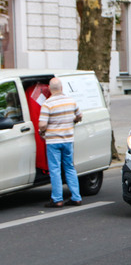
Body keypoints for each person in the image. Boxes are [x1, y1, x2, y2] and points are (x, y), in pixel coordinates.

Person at [38, 78, 83, 208]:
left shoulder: (47, 104)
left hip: (53, 141)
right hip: (68, 140)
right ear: (61, 88)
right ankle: (76, 197)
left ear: (50, 89)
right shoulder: (71, 101)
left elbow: (42, 125)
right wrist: (72, 121)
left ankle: (57, 199)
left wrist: (42, 131)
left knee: (55, 169)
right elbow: (79, 116)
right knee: (69, 167)